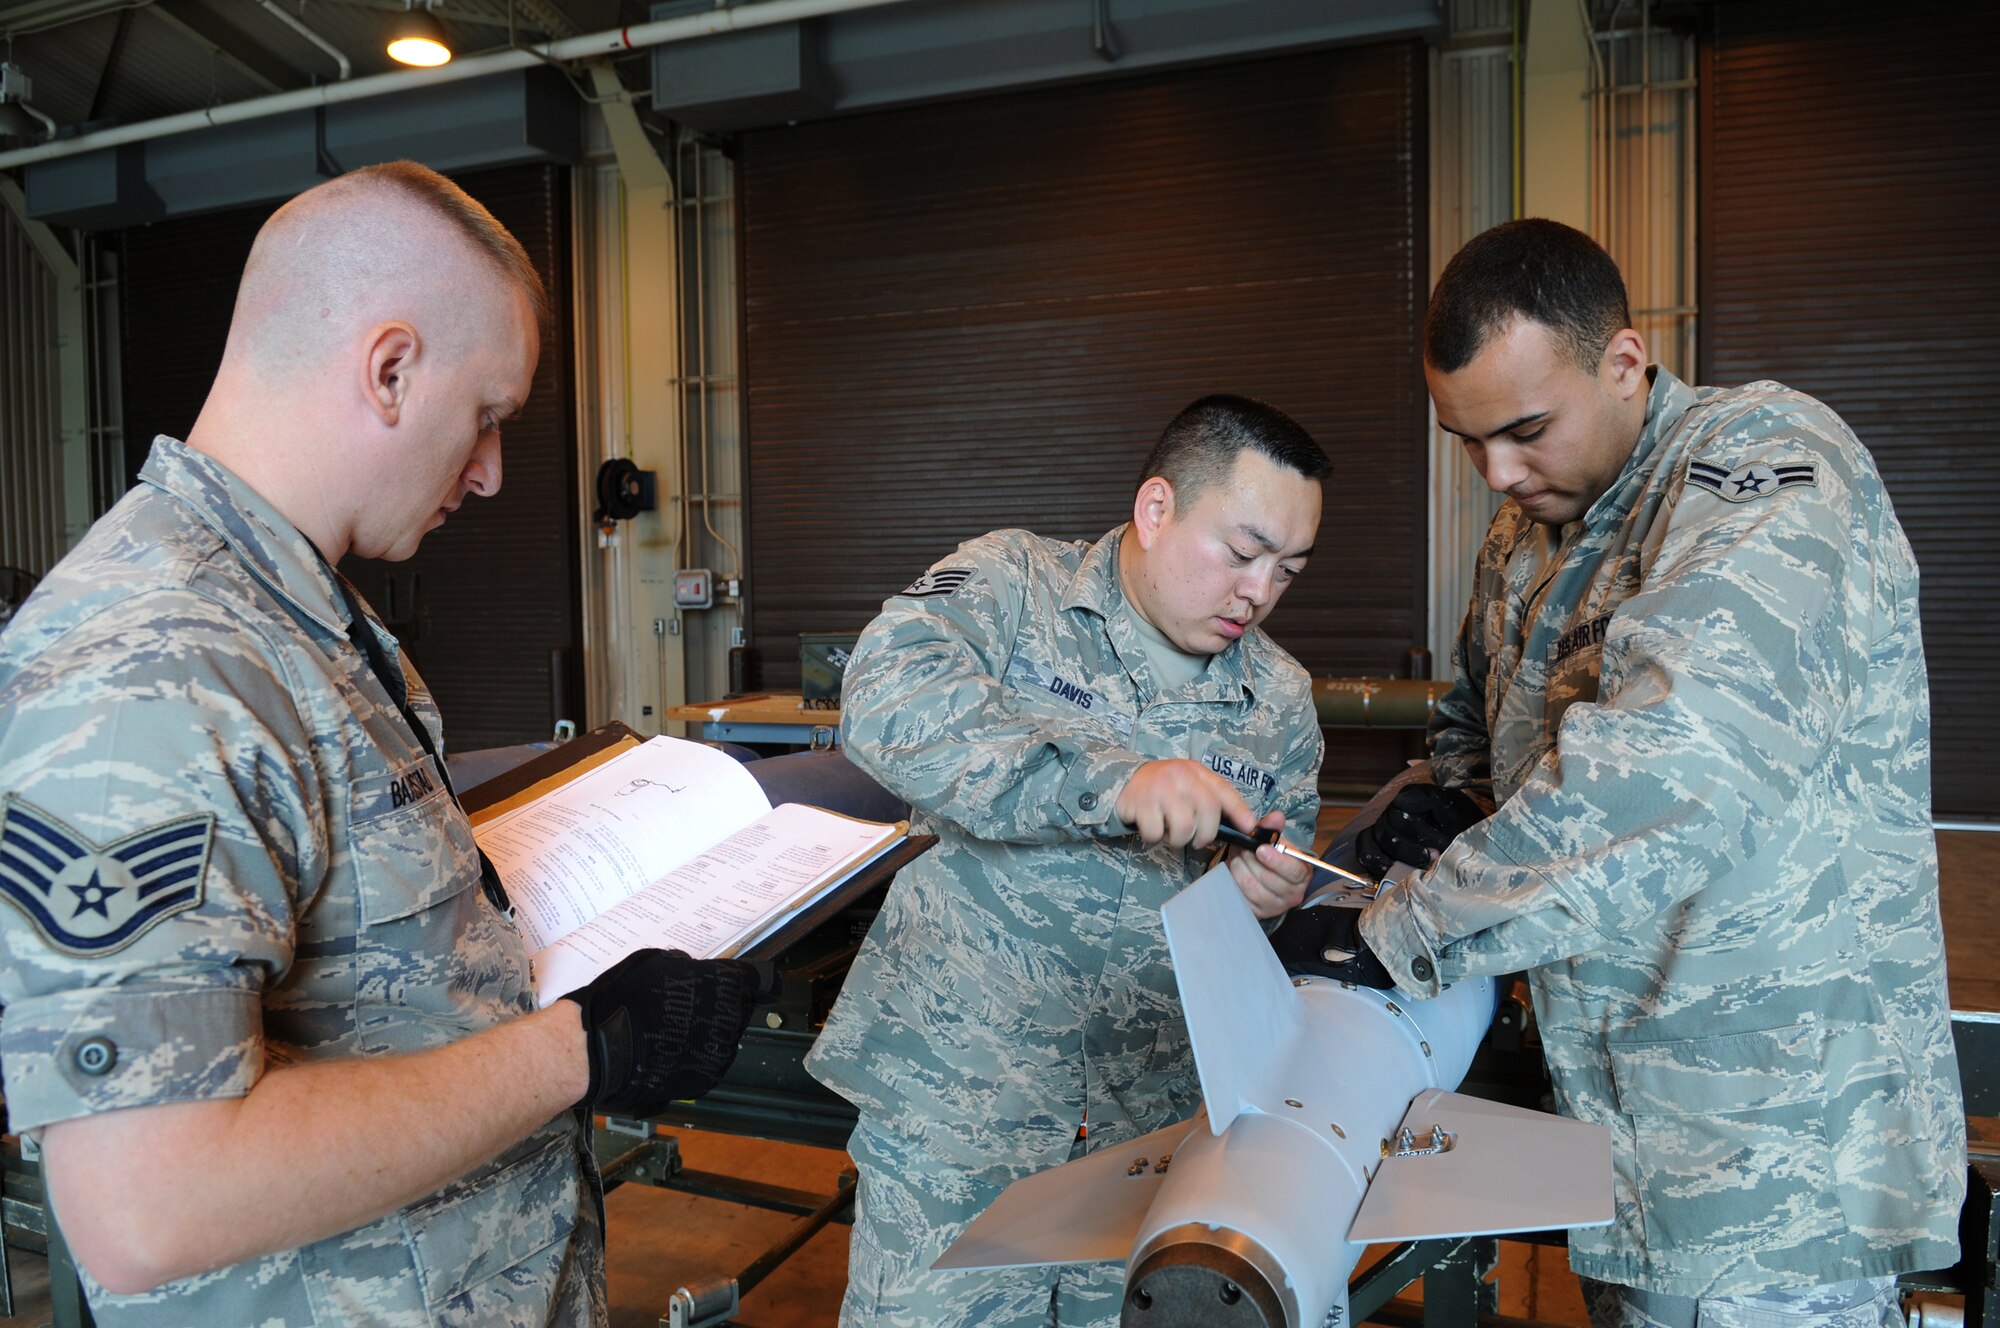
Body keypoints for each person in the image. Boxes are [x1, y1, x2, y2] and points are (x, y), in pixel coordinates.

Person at [0, 161, 760, 1325]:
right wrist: (582, 1049)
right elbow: (150, 1199)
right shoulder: (153, 662)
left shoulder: (302, 622)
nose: (493, 469)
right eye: (488, 415)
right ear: (391, 368)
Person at [1282, 218, 1965, 1328]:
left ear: (1622, 362)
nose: (1496, 472)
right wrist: (1393, 839)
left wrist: (1403, 930)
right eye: (1467, 441)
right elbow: (1475, 734)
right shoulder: (1524, 534)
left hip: (1764, 1156)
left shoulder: (1762, 465)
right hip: (1622, 1141)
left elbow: (1673, 760)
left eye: (1523, 430)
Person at [805, 394, 1330, 1327]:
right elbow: (884, 702)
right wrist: (1116, 782)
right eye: (1241, 553)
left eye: (1287, 570)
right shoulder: (1014, 585)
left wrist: (1267, 896)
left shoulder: (1279, 700)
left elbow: (1273, 873)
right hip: (958, 1112)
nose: (1258, 591)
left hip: (1147, 1135)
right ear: (1157, 508)